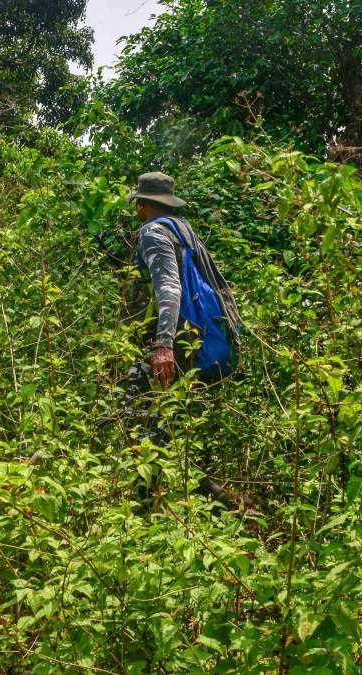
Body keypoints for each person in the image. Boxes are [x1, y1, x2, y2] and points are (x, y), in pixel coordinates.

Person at [122, 171, 239, 502]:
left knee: (143, 429)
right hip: (196, 344)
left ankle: (144, 511)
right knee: (174, 431)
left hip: (173, 349)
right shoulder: (184, 233)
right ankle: (219, 501)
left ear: (144, 205)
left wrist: (162, 346)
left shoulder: (154, 233)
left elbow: (170, 290)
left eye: (138, 204)